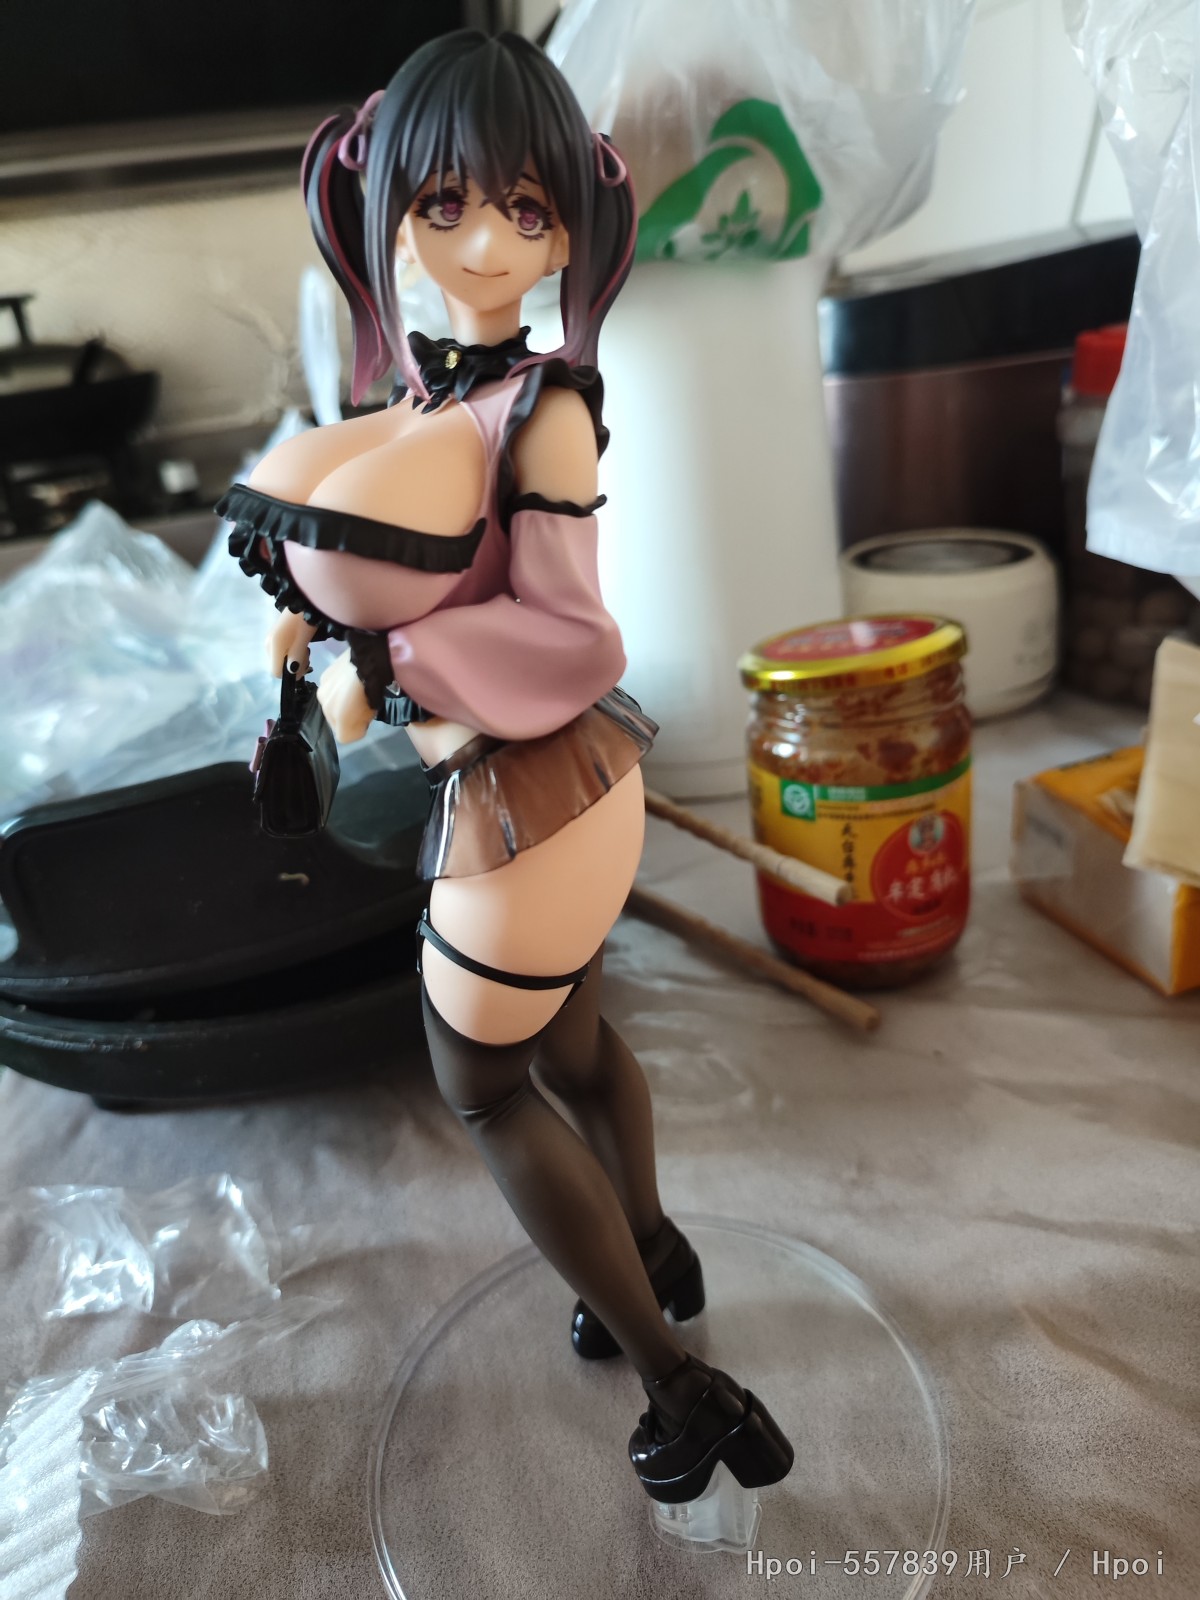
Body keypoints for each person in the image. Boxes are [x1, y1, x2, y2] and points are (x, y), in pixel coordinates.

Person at [218, 29, 792, 1505]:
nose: (486, 240)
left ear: (570, 227)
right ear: (393, 213)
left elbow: (573, 635)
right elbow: (419, 590)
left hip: (536, 799)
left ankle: (683, 1388)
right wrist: (329, 668)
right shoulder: (436, 401)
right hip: (545, 801)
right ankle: (653, 1252)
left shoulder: (546, 411)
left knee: (481, 1085)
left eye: (526, 210)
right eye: (448, 204)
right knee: (577, 1051)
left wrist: (389, 658)